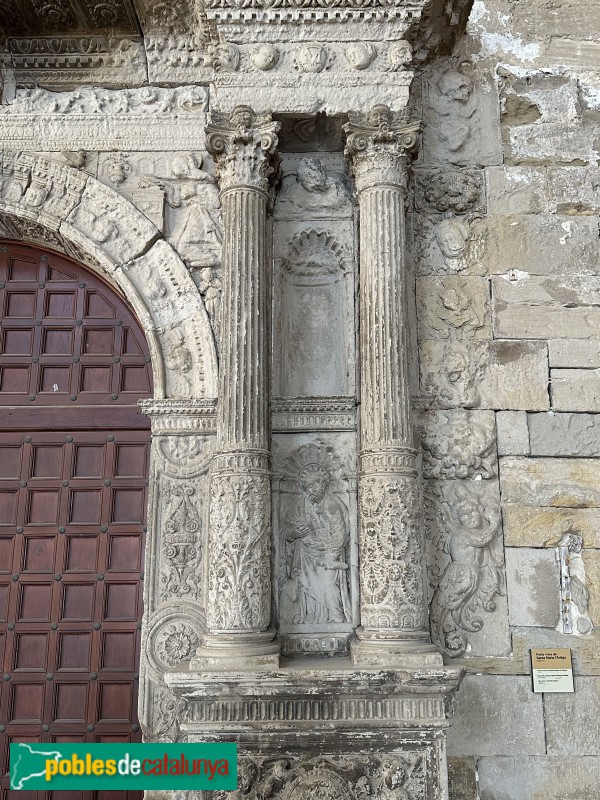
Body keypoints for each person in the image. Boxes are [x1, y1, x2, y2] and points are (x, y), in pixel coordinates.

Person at [283, 463, 351, 625]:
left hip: (329, 553)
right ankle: (311, 616)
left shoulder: (332, 504)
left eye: (315, 484)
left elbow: (340, 534)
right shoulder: (301, 503)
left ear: (323, 483)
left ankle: (336, 617)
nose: (311, 489)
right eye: (308, 486)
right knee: (306, 586)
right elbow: (285, 528)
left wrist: (330, 555)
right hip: (306, 555)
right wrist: (294, 533)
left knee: (328, 585)